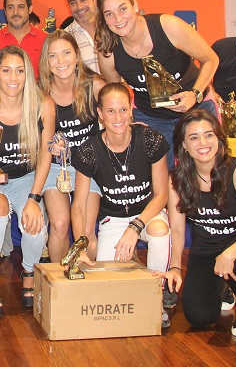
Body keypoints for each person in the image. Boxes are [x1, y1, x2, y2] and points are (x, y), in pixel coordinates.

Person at [157, 109, 236, 338]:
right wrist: (175, 267)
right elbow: (177, 229)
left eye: (209, 135)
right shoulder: (177, 180)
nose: (203, 143)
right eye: (194, 137)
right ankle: (224, 287)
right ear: (184, 145)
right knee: (199, 317)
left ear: (218, 138)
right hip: (206, 249)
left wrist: (229, 254)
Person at [72, 82, 173, 327]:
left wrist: (135, 227)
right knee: (110, 291)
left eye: (123, 110)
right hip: (113, 219)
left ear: (131, 111)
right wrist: (79, 246)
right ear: (100, 113)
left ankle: (156, 296)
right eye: (110, 111)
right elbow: (79, 205)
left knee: (160, 232)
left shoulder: (150, 139)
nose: (118, 118)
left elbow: (161, 195)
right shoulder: (88, 150)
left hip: (147, 215)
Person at [0, 45, 55, 319]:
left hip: (25, 178)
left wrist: (34, 199)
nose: (13, 78)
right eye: (6, 70)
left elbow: (45, 156)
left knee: (34, 222)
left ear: (29, 74)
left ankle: (29, 272)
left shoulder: (43, 106)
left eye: (20, 71)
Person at [95, 0, 219, 169]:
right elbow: (116, 92)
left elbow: (210, 59)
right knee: (158, 177)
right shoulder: (107, 51)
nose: (118, 18)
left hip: (196, 109)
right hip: (151, 118)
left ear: (135, 5)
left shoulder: (168, 26)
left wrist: (195, 94)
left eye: (123, 9)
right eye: (109, 14)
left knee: (208, 172)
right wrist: (127, 120)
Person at [37, 30, 105, 262]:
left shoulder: (95, 86)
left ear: (77, 55)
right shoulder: (40, 92)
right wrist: (49, 146)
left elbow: (115, 118)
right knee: (59, 224)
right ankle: (58, 280)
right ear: (46, 61)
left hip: (89, 166)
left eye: (66, 53)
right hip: (57, 166)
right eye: (53, 55)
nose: (61, 61)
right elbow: (31, 136)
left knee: (85, 231)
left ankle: (85, 281)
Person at [63, 0, 100, 73]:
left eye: (83, 0)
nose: (79, 7)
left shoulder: (111, 27)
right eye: (73, 3)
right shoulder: (65, 38)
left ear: (94, 0)